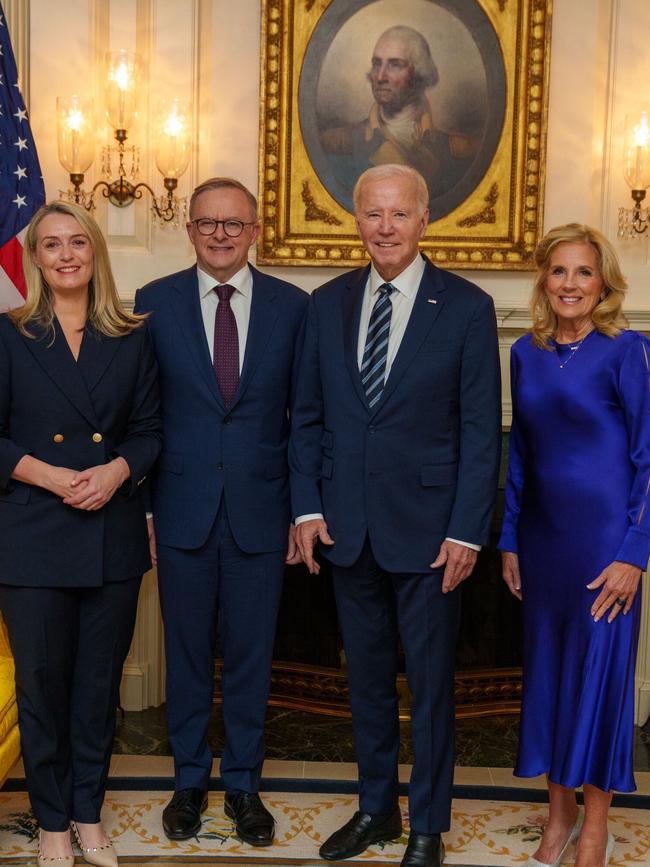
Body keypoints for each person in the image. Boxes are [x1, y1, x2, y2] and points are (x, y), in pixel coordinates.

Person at [290, 164, 501, 867]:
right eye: (372, 214)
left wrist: (468, 528)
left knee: (433, 686)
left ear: (424, 219)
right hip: (348, 530)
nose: (385, 226)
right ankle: (377, 809)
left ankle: (428, 826)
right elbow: (308, 418)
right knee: (368, 682)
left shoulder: (467, 307)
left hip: (435, 534)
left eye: (398, 214)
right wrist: (308, 507)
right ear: (357, 221)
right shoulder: (326, 305)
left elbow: (480, 430)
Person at [134, 178, 308, 846]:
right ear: (189, 229)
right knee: (183, 654)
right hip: (179, 511)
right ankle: (187, 782)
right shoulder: (155, 302)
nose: (219, 234)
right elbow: (142, 414)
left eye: (233, 224)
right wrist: (146, 509)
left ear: (255, 229)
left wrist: (302, 512)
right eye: (207, 223)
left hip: (263, 514)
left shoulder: (296, 307)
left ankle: (242, 785)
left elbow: (305, 418)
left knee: (249, 656)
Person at [0, 201, 162, 867]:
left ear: (96, 252)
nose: (65, 255)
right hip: (32, 534)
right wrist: (51, 475)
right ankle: (53, 826)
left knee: (98, 690)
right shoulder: (8, 333)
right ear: (35, 259)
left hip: (110, 535)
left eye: (77, 243)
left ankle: (88, 814)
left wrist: (118, 468)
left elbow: (152, 430)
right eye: (50, 246)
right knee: (43, 689)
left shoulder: (132, 335)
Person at [499, 224, 650, 867]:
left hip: (605, 547)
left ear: (604, 283)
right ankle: (555, 822)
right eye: (559, 271)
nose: (570, 284)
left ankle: (595, 827)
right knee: (553, 681)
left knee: (598, 682)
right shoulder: (525, 353)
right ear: (543, 280)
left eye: (583, 272)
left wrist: (634, 552)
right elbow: (520, 457)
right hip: (542, 543)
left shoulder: (629, 350)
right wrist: (509, 540)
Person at [320, 26, 477, 202]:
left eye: (395, 65)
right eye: (377, 64)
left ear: (419, 74)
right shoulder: (338, 145)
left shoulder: (457, 151)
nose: (380, 77)